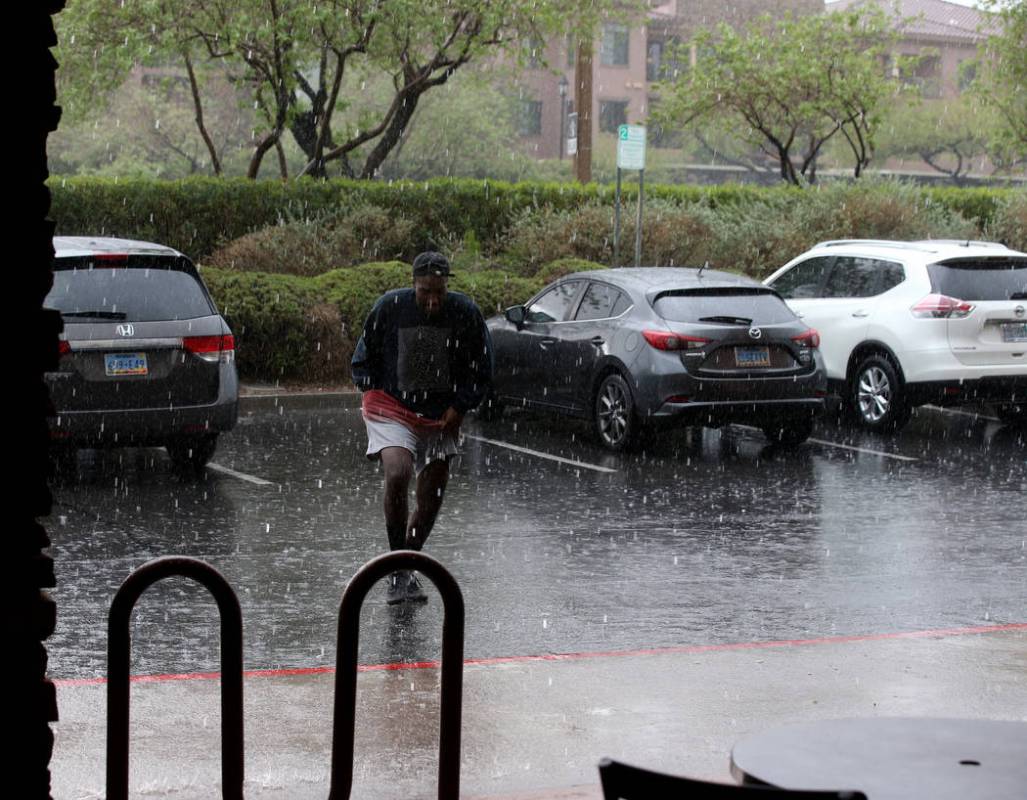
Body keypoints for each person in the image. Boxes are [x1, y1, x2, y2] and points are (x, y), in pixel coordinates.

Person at [351, 251, 493, 604]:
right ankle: (398, 567)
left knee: (432, 495)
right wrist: (381, 387)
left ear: (448, 287)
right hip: (393, 408)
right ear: (412, 284)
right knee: (398, 472)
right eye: (424, 292)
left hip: (441, 415)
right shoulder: (389, 307)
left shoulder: (465, 313)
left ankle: (406, 563)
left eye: (439, 293)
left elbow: (482, 369)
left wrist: (460, 406)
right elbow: (361, 360)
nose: (431, 301)